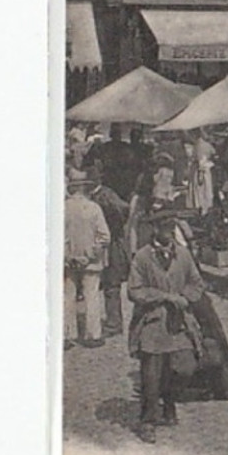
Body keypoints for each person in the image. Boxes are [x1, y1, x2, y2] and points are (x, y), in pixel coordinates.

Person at [127, 206, 206, 443]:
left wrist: (185, 296)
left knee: (184, 368)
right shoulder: (142, 257)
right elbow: (134, 290)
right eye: (164, 228)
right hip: (151, 323)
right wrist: (163, 296)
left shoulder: (183, 254)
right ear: (154, 229)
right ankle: (148, 420)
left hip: (178, 323)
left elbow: (197, 283)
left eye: (172, 228)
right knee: (151, 374)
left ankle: (169, 401)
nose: (169, 232)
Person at [64, 169, 110, 348]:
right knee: (92, 297)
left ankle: (67, 335)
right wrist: (90, 254)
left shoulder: (62, 208)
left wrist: (68, 255)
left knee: (68, 297)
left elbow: (55, 236)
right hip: (91, 262)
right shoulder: (93, 208)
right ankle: (92, 335)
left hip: (68, 261)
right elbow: (104, 236)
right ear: (84, 187)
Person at [87, 166, 130, 337]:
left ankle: (114, 323)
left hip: (111, 245)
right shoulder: (95, 196)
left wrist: (114, 226)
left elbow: (124, 209)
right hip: (101, 243)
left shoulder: (106, 195)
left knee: (111, 285)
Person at [97, 123, 140, 202]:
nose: (117, 136)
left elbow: (131, 160)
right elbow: (101, 159)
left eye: (118, 134)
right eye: (115, 133)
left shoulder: (125, 146)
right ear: (111, 135)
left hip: (122, 177)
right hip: (110, 176)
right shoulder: (106, 146)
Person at [187, 128, 216, 215]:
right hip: (204, 169)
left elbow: (200, 160)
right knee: (204, 189)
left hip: (201, 169)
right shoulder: (203, 145)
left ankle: (202, 208)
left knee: (201, 189)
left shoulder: (199, 145)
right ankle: (203, 208)